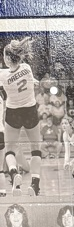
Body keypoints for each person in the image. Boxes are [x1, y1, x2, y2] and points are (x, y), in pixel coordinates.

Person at [0, 38, 43, 196]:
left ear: (7, 58)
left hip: (13, 112)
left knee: (9, 149)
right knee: (36, 149)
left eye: (4, 55)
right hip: (30, 110)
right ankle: (35, 184)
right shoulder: (27, 68)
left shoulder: (3, 76)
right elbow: (28, 80)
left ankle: (13, 173)